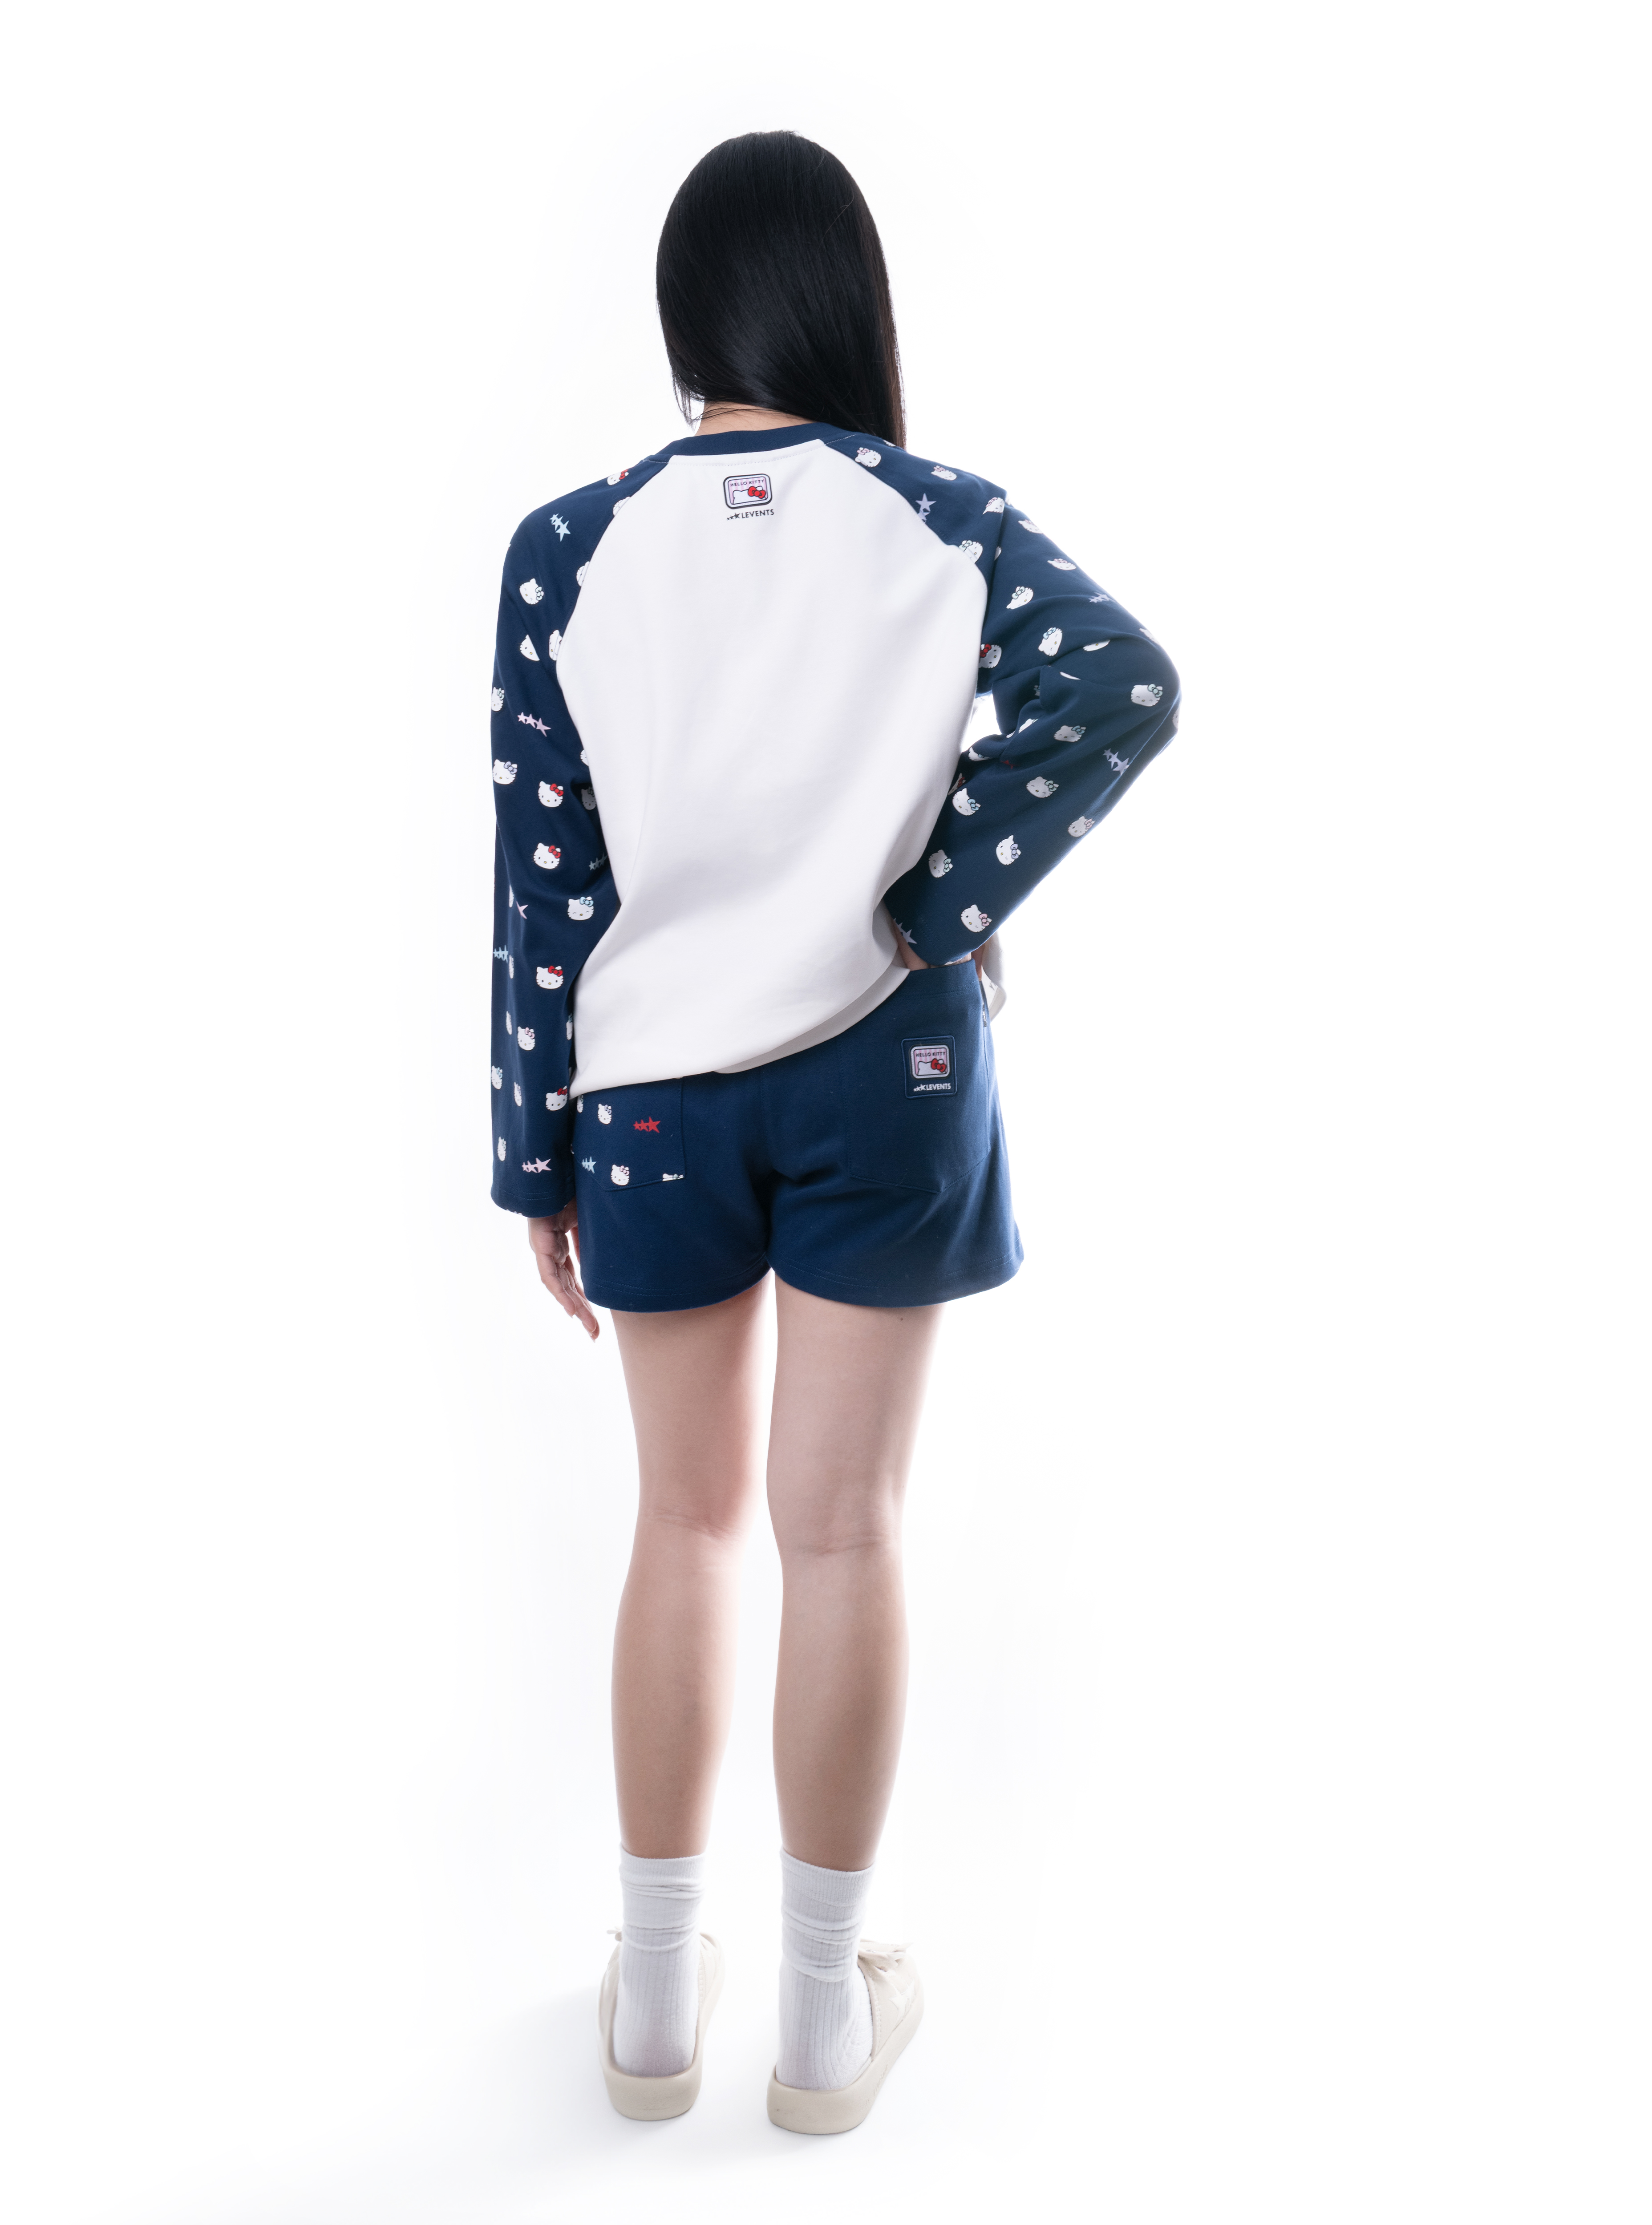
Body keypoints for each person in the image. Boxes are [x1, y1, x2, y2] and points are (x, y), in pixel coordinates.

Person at [486, 131, 1179, 2135]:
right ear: (846, 304)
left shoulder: (569, 548)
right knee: (844, 1528)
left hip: (650, 1094)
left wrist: (533, 1153)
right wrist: (925, 905)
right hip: (895, 1073)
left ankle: (648, 2014)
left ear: (684, 317)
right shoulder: (935, 520)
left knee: (685, 1521)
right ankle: (815, 2024)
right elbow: (1124, 688)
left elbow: (546, 882)